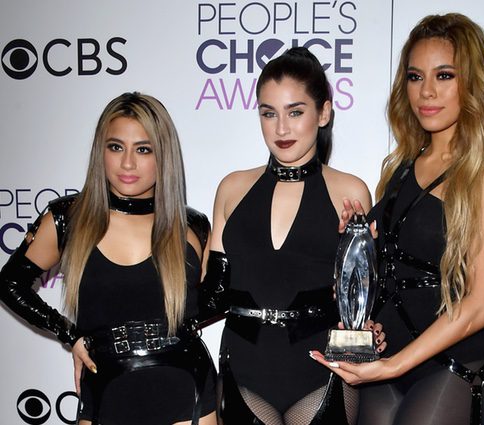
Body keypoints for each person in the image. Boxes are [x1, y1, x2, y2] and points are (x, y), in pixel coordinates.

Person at [310, 13, 484, 425]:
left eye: (444, 75)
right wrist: (359, 246)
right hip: (386, 361)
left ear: (474, 82)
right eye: (415, 76)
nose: (426, 91)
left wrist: (394, 365)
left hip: (452, 366)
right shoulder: (404, 167)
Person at [0, 92, 217, 425]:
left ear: (164, 156)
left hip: (185, 389)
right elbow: (9, 283)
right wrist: (68, 334)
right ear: (100, 152)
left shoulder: (191, 226)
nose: (127, 163)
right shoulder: (68, 220)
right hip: (105, 392)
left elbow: (219, 297)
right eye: (116, 147)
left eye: (143, 149)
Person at [207, 47, 375, 425]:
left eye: (295, 112)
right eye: (269, 113)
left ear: (324, 113)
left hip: (323, 369)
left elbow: (359, 298)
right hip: (245, 368)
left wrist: (358, 249)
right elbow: (210, 294)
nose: (281, 129)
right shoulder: (232, 189)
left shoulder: (350, 192)